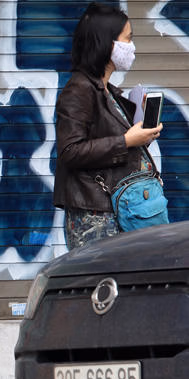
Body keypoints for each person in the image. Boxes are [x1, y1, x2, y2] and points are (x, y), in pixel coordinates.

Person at [54, 2, 164, 250]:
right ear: (107, 44)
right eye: (128, 39)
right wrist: (126, 141)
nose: (132, 47)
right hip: (96, 219)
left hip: (114, 212)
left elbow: (108, 146)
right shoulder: (78, 91)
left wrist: (140, 136)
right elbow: (70, 151)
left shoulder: (106, 90)